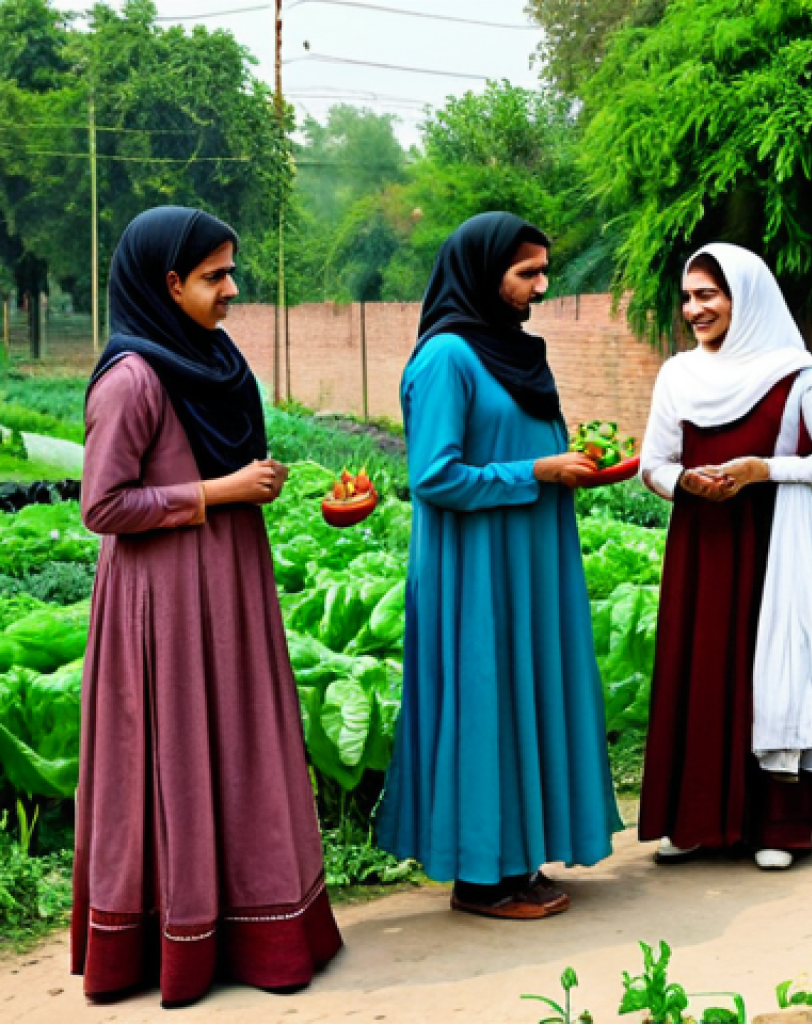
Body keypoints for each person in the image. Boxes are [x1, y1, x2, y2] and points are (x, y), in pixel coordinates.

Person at [71, 207, 342, 1006]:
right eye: (214, 276)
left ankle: (260, 927)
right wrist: (221, 490)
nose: (232, 289)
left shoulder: (212, 360)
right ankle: (174, 942)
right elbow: (102, 506)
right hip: (164, 602)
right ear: (168, 285)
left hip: (228, 585)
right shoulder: (132, 378)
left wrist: (252, 482)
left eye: (230, 271)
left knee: (239, 748)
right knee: (178, 753)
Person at [376, 211, 623, 919]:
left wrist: (562, 465)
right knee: (485, 702)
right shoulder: (447, 358)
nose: (541, 286)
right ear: (484, 275)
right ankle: (480, 877)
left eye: (544, 270)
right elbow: (434, 476)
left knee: (525, 695)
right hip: (475, 572)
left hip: (529, 561)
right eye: (527, 273)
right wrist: (539, 468)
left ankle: (517, 860)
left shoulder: (512, 350)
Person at [638, 242, 812, 870]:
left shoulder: (797, 373)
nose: (693, 309)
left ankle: (777, 827)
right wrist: (683, 482)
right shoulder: (678, 374)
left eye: (708, 294)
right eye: (687, 296)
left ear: (746, 297)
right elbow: (654, 463)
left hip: (772, 548)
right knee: (701, 669)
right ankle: (696, 821)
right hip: (702, 548)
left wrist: (765, 470)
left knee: (771, 669)